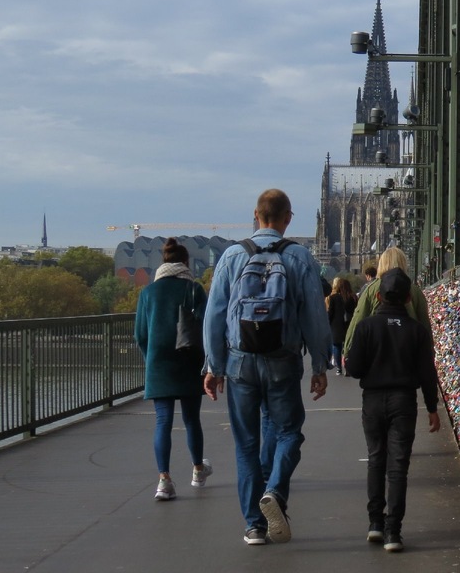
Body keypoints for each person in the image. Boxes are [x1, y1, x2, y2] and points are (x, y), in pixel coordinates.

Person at [202, 189, 332, 545]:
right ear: (287, 218)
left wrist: (213, 366)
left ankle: (254, 526)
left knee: (246, 444)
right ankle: (274, 490)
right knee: (289, 430)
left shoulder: (231, 256)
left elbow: (214, 316)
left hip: (239, 361)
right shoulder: (300, 257)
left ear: (255, 215)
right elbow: (315, 317)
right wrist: (320, 364)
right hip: (283, 358)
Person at [345, 268, 441, 552]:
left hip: (373, 400)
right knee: (398, 467)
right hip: (403, 400)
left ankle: (375, 523)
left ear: (377, 295)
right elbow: (427, 372)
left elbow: (353, 369)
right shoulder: (417, 331)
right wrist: (432, 407)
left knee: (376, 459)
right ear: (408, 297)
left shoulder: (366, 328)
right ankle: (393, 532)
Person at [134, 238, 212, 501]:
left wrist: (151, 359)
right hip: (189, 361)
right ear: (186, 263)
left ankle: (164, 480)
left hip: (159, 364)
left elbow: (140, 334)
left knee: (162, 422)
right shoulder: (194, 290)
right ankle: (198, 471)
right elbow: (206, 329)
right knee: (192, 421)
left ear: (163, 263)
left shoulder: (148, 293)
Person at [343, 246, 430, 357]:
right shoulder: (414, 291)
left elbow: (358, 319)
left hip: (376, 351)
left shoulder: (371, 289)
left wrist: (347, 351)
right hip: (407, 352)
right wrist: (428, 355)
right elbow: (424, 324)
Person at [326, 277, 357, 375]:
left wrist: (328, 322)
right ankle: (347, 368)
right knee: (348, 346)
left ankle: (339, 368)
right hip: (349, 324)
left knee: (337, 346)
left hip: (336, 325)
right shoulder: (353, 297)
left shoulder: (333, 297)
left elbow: (330, 312)